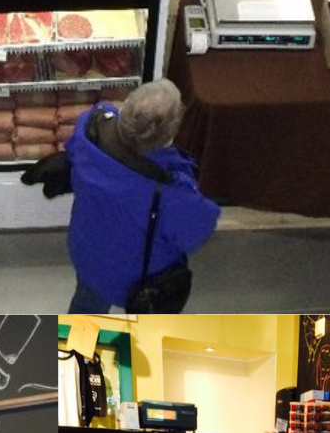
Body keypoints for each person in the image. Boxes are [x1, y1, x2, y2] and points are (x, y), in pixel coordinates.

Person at [23, 78, 219, 312]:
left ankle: (78, 347)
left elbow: (99, 115)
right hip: (143, 277)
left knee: (86, 310)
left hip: (89, 257)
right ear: (169, 137)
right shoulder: (173, 194)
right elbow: (196, 233)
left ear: (124, 107)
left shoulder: (90, 128)